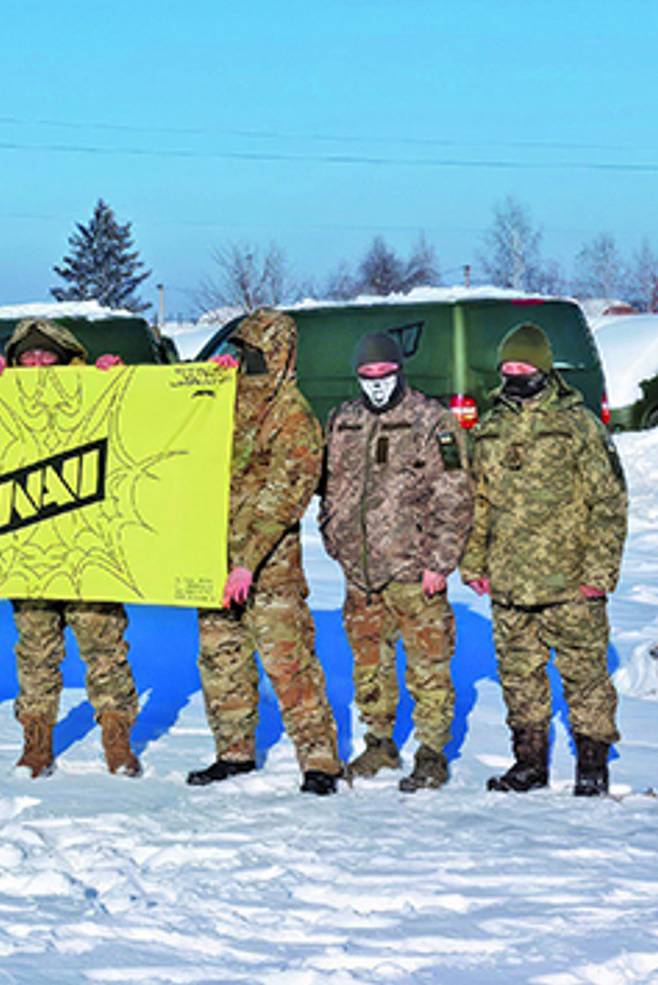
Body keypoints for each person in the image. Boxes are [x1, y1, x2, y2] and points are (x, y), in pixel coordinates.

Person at [0, 320, 140, 778]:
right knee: (37, 652)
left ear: (65, 359)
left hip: (88, 549)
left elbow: (147, 414)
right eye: (28, 357)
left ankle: (117, 739)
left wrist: (119, 376)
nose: (38, 365)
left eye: (47, 357)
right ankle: (36, 742)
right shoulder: (2, 393)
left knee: (105, 648)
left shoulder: (93, 390)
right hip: (29, 549)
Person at [462, 323, 628, 796]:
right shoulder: (491, 428)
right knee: (519, 676)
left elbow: (609, 502)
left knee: (585, 675)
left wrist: (599, 573)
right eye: (508, 367)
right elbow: (481, 502)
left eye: (524, 365)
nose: (515, 374)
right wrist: (474, 562)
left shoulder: (578, 426)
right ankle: (529, 764)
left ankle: (592, 767)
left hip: (571, 582)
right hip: (511, 581)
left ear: (544, 366)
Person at [189, 309, 348, 795]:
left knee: (289, 660)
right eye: (243, 351)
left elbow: (285, 495)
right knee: (222, 659)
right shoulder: (227, 397)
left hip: (268, 567)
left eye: (256, 352)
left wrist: (246, 562)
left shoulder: (293, 416)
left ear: (280, 354)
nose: (247, 360)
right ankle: (233, 752)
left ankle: (319, 761)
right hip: (213, 557)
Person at [318, 331, 473, 791]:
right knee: (369, 663)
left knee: (428, 664)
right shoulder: (343, 420)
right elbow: (328, 484)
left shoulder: (431, 419)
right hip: (360, 572)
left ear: (399, 371)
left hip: (413, 568)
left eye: (384, 374)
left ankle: (430, 751)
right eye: (367, 375)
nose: (376, 383)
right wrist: (334, 534)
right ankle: (379, 744)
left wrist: (439, 562)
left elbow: (454, 495)